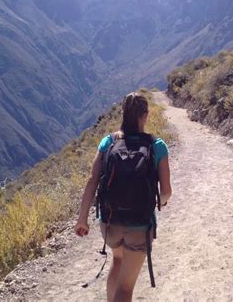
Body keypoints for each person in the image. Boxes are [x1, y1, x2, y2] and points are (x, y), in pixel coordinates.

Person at [74, 92, 172, 302]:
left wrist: (82, 218)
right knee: (126, 289)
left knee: (117, 261)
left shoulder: (108, 142)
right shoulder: (157, 146)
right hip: (139, 225)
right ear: (145, 115)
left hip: (110, 223)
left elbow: (92, 181)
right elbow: (166, 192)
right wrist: (158, 203)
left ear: (123, 114)